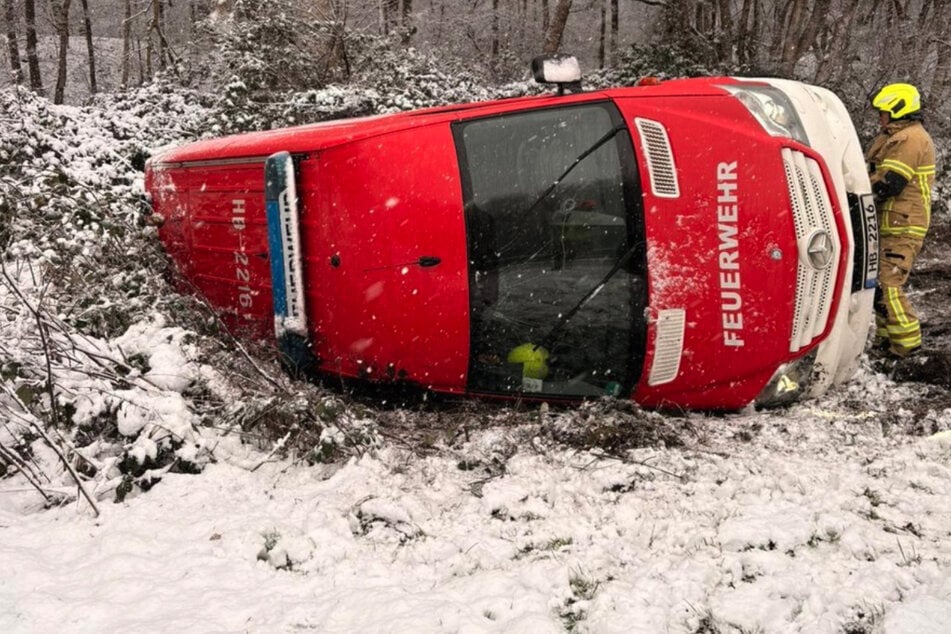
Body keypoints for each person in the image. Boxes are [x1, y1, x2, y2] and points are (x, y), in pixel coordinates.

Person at [866, 83, 936, 358]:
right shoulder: (894, 136)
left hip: (904, 224)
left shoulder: (910, 140)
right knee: (880, 288)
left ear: (897, 109)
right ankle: (886, 343)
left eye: (883, 112)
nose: (879, 117)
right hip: (892, 222)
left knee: (888, 285)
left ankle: (908, 350)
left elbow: (890, 183)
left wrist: (852, 194)